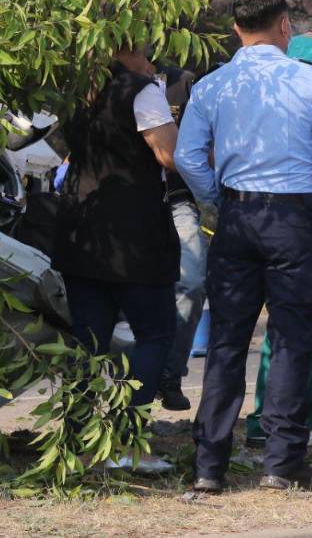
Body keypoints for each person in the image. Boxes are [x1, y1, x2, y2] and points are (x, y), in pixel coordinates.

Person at [174, 0, 312, 493]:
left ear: (236, 29)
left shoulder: (213, 86)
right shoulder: (309, 82)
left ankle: (209, 466)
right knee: (292, 338)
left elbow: (189, 156)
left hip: (237, 214)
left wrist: (219, 198)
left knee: (229, 343)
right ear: (285, 27)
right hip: (296, 218)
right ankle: (281, 462)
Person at [55, 45, 180, 472]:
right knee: (155, 332)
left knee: (88, 341)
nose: (153, 60)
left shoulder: (74, 88)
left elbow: (60, 145)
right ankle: (132, 444)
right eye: (148, 50)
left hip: (81, 227)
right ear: (127, 49)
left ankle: (74, 445)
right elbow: (169, 155)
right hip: (134, 236)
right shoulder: (140, 91)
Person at [244, 22, 312, 449]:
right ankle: (294, 422)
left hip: (262, 206)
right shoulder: (306, 66)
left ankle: (263, 422)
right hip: (303, 209)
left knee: (282, 326)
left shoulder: (282, 57)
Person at [155, 67, 209, 412]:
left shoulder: (182, 83)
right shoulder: (102, 82)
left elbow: (193, 148)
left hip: (176, 200)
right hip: (123, 204)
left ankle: (169, 376)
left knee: (192, 280)